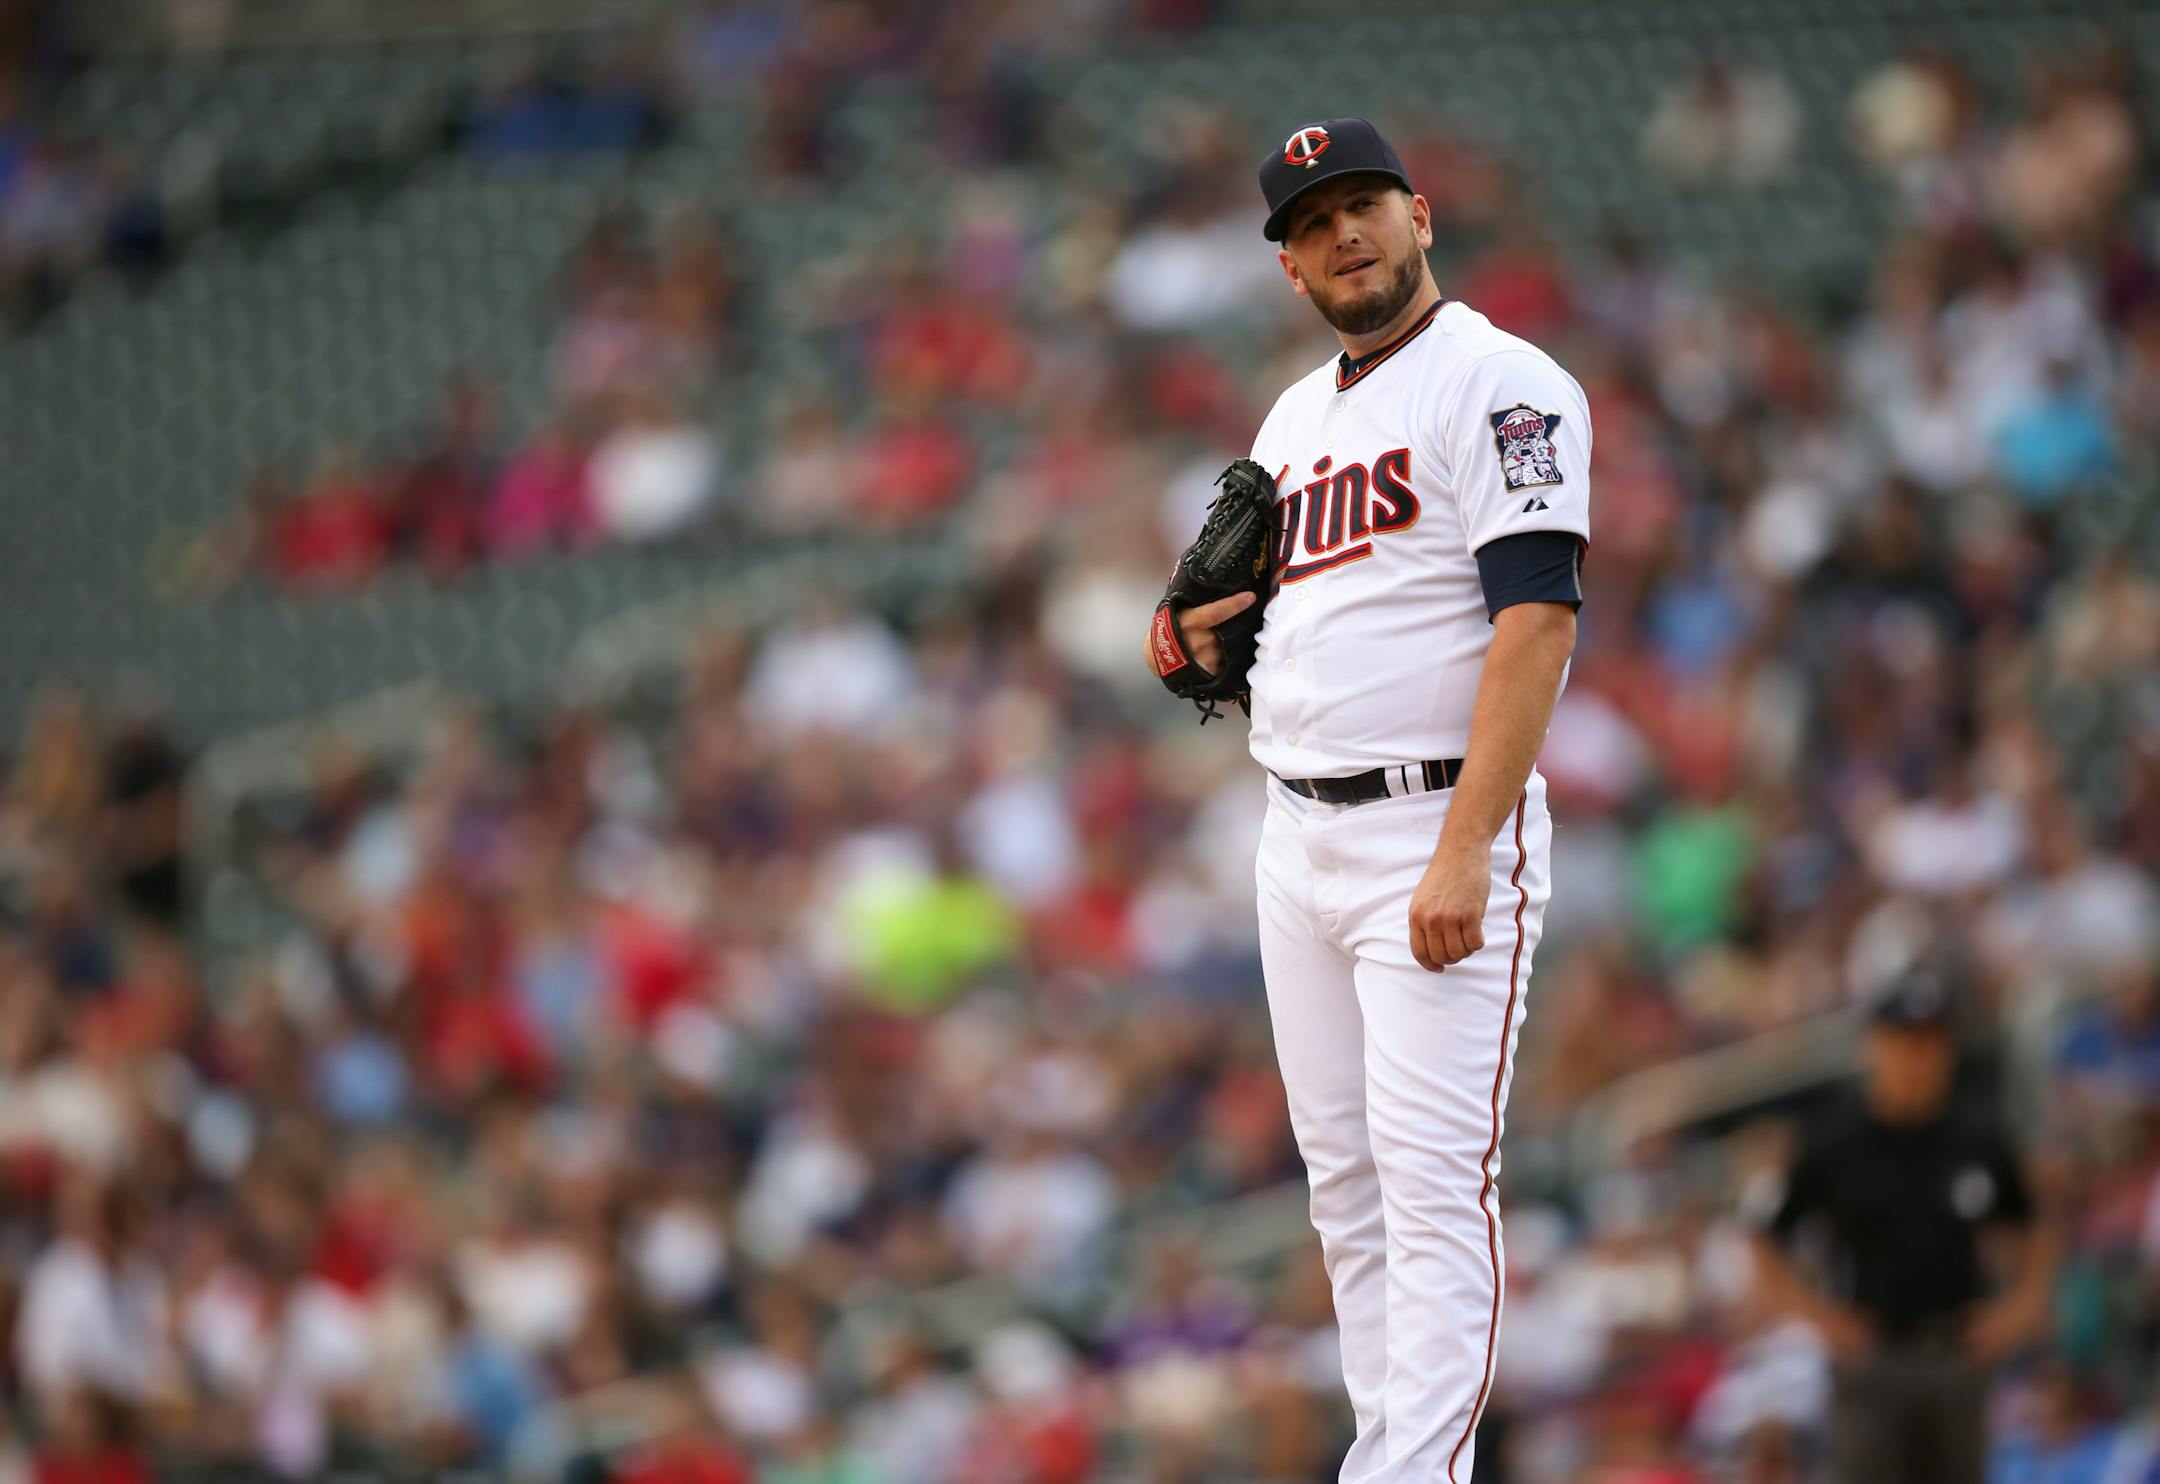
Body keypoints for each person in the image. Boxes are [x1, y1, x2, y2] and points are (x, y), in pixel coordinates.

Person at [1145, 116, 1591, 1481]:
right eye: (1309, 220)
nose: (1341, 232)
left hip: (1434, 826)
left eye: (1361, 204)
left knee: (1432, 1184)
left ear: (1420, 216)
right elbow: (1266, 618)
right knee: (1347, 1190)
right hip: (1301, 837)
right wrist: (1191, 640)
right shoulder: (1292, 418)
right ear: (1287, 266)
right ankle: (1385, 1457)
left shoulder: (1505, 385)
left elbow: (1535, 630)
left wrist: (1465, 856)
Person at [1752, 972, 2056, 1484]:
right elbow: (1765, 1236)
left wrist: (2023, 1306)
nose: (1916, 1058)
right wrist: (1815, 1316)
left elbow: (2035, 1220)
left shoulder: (1976, 1135)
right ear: (1874, 1046)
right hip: (1872, 1357)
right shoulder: (1835, 1140)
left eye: (1929, 1043)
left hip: (1956, 1352)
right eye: (1903, 1043)